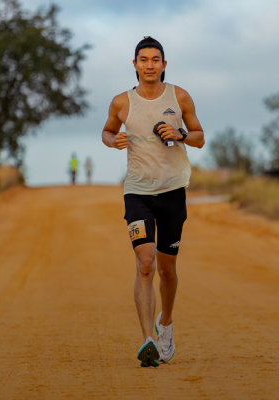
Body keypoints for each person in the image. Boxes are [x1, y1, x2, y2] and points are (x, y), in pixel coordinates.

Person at [101, 36, 204, 367]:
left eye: (155, 59)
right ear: (134, 65)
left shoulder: (180, 96)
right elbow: (106, 131)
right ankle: (148, 339)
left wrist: (181, 134)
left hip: (173, 191)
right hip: (137, 193)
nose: (149, 65)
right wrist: (112, 140)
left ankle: (166, 325)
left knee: (166, 269)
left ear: (163, 64)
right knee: (144, 264)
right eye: (143, 59)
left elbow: (200, 137)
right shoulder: (121, 102)